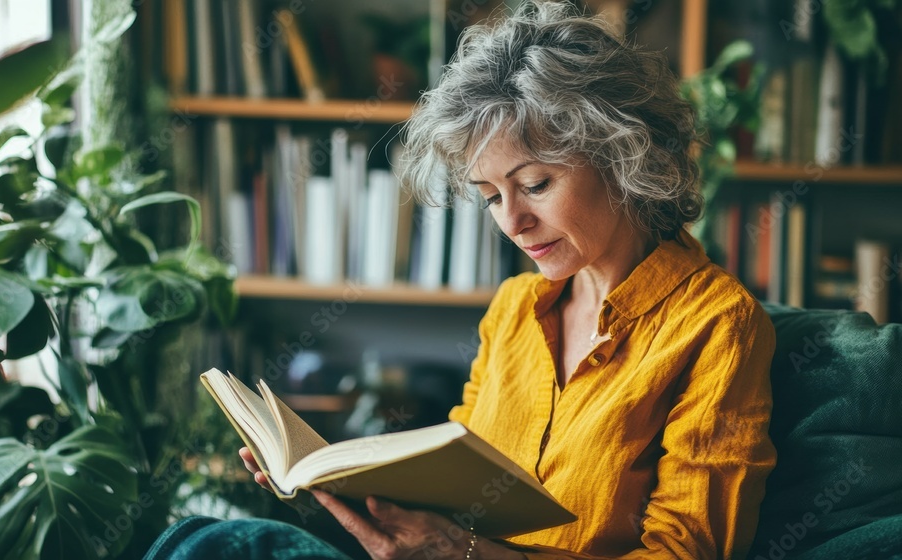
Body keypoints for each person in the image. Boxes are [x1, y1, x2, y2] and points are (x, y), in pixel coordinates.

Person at [144, 1, 777, 559]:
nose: (514, 222)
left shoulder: (718, 324)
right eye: (490, 196)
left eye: (534, 184)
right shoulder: (514, 309)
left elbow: (687, 551)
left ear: (623, 152)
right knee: (209, 541)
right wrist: (328, 491)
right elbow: (452, 500)